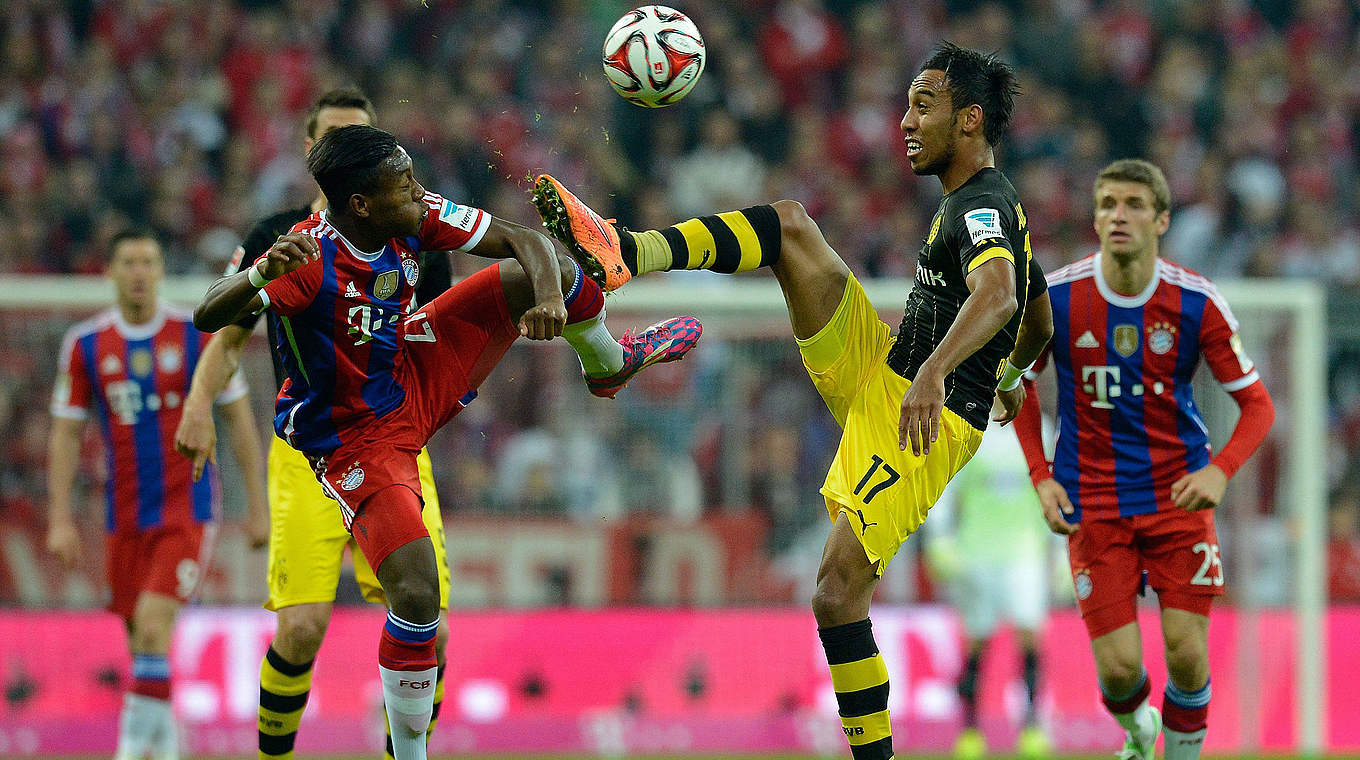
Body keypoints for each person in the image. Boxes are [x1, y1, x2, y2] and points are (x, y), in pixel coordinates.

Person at [531, 42, 1052, 760]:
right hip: (886, 369)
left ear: (969, 121)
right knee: (790, 227)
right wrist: (1015, 374)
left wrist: (939, 376)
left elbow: (999, 294)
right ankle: (629, 250)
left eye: (921, 105)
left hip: (921, 416)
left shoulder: (985, 205)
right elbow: (1037, 312)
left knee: (837, 594)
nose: (903, 121)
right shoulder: (981, 205)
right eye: (905, 103)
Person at [192, 123, 700, 760]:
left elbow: (523, 240)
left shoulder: (413, 213)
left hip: (412, 368)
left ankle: (607, 362)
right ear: (361, 204)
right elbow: (207, 315)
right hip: (353, 439)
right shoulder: (307, 257)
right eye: (403, 183)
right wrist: (256, 277)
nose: (417, 190)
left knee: (557, 267)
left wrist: (544, 297)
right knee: (416, 593)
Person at [172, 88, 457, 760]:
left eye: (362, 136)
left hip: (391, 446)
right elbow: (228, 331)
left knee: (432, 630)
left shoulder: (413, 230)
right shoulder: (277, 239)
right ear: (311, 151)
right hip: (308, 453)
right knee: (300, 629)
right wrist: (196, 403)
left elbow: (440, 337)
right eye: (335, 136)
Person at [1012, 159, 1276, 760]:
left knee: (1186, 652)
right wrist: (1040, 475)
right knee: (1120, 673)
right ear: (1095, 217)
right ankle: (1139, 731)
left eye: (1133, 204)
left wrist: (1220, 470)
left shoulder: (1196, 303)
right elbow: (1017, 385)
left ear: (1161, 220)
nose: (1118, 215)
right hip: (1092, 502)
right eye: (1107, 204)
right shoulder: (1054, 298)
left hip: (1176, 494)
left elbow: (1258, 407)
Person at [47, 229, 267, 760]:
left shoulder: (197, 334)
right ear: (110, 273)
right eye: (128, 262)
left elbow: (238, 418)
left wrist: (258, 505)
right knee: (142, 640)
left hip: (186, 509)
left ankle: (130, 752)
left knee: (151, 624)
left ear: (162, 270)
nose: (139, 272)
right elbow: (66, 431)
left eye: (148, 261)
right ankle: (169, 747)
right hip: (122, 514)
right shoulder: (85, 344)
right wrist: (59, 517)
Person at [925, 427, 1052, 759]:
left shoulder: (1040, 428)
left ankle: (1032, 727)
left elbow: (1053, 485)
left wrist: (1061, 547)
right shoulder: (970, 426)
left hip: (1025, 554)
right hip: (976, 555)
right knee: (977, 642)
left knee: (1029, 638)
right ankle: (969, 730)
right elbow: (946, 486)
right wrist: (940, 538)